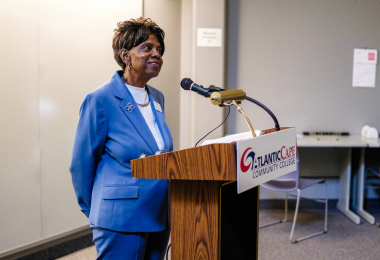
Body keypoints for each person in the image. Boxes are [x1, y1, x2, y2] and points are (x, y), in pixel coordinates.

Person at [69, 17, 172, 260]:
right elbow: (81, 164)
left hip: (158, 211)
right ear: (125, 56)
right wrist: (94, 210)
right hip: (119, 216)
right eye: (147, 47)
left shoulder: (157, 97)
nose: (156, 54)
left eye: (159, 50)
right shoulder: (101, 99)